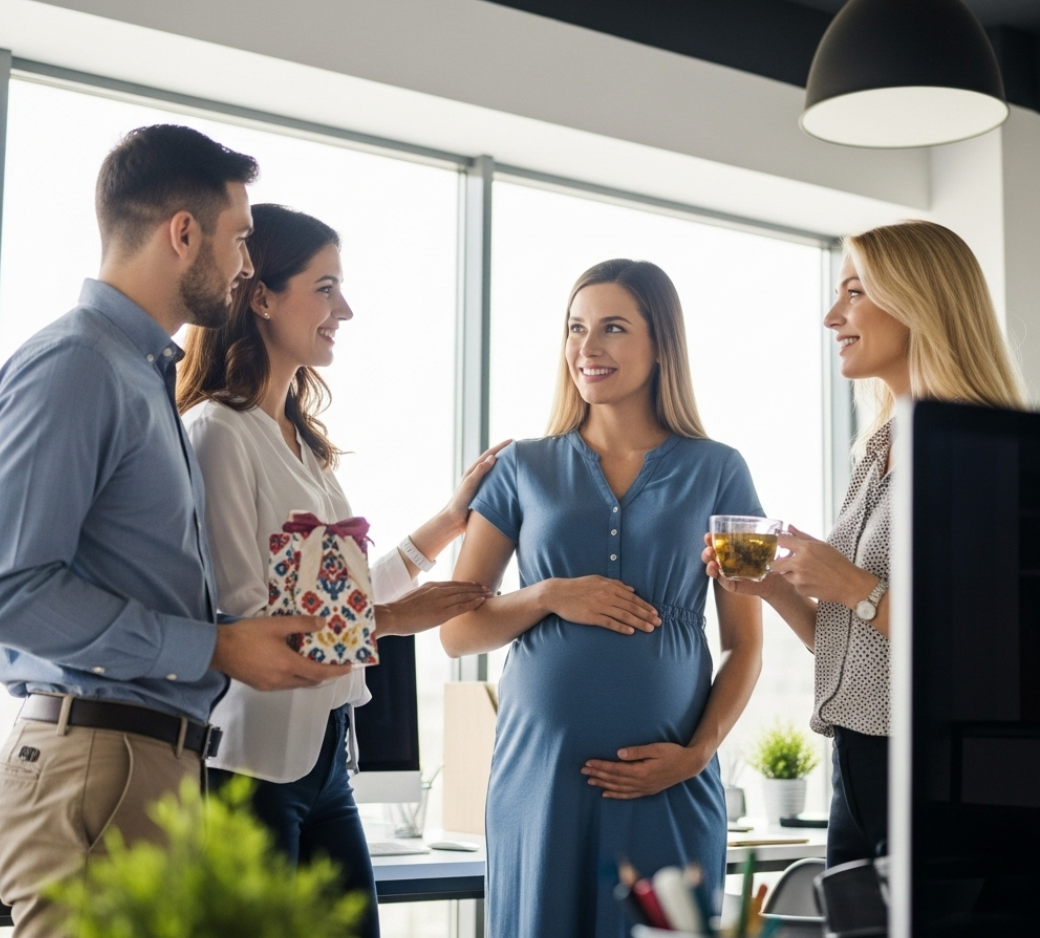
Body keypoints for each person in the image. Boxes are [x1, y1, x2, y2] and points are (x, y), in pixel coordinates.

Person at [0, 126, 358, 938]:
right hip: (98, 762)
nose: (243, 265)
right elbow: (11, 587)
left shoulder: (139, 374)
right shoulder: (78, 365)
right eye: (238, 240)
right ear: (183, 233)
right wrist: (215, 648)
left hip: (151, 760)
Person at [177, 203, 502, 938]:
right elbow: (249, 622)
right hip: (249, 770)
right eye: (326, 288)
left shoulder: (299, 443)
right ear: (261, 295)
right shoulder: (217, 436)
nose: (344, 310)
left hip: (324, 763)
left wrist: (447, 525)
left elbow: (343, 594)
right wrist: (391, 622)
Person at [439, 259, 765, 937]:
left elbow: (745, 643)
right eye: (575, 328)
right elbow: (457, 631)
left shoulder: (720, 470)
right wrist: (550, 595)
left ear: (660, 343)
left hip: (669, 779)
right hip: (540, 781)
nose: (587, 347)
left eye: (612, 328)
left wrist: (698, 754)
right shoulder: (521, 467)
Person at [703, 219, 1026, 867]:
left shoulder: (981, 451)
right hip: (859, 762)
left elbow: (989, 654)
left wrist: (854, 584)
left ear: (918, 300)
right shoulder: (880, 449)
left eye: (854, 292)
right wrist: (775, 588)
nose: (832, 316)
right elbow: (853, 644)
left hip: (935, 771)